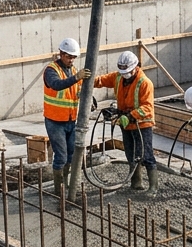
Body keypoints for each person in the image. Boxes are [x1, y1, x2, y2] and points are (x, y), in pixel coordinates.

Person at [94, 51, 157, 192]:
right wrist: (84, 81)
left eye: (127, 71)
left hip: (142, 124)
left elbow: (147, 107)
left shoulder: (145, 83)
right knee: (130, 153)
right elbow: (101, 81)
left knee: (146, 155)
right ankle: (136, 183)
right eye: (122, 72)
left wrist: (130, 116)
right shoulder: (118, 77)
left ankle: (153, 187)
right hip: (126, 123)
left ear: (136, 67)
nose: (125, 74)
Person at [42, 37, 90, 196]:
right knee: (61, 156)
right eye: (69, 57)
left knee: (71, 154)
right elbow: (56, 85)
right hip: (55, 122)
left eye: (74, 57)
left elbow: (78, 91)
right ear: (61, 54)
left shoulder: (74, 71)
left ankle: (67, 185)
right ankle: (58, 190)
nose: (71, 60)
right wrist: (76, 78)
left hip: (70, 120)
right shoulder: (51, 70)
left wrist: (91, 100)